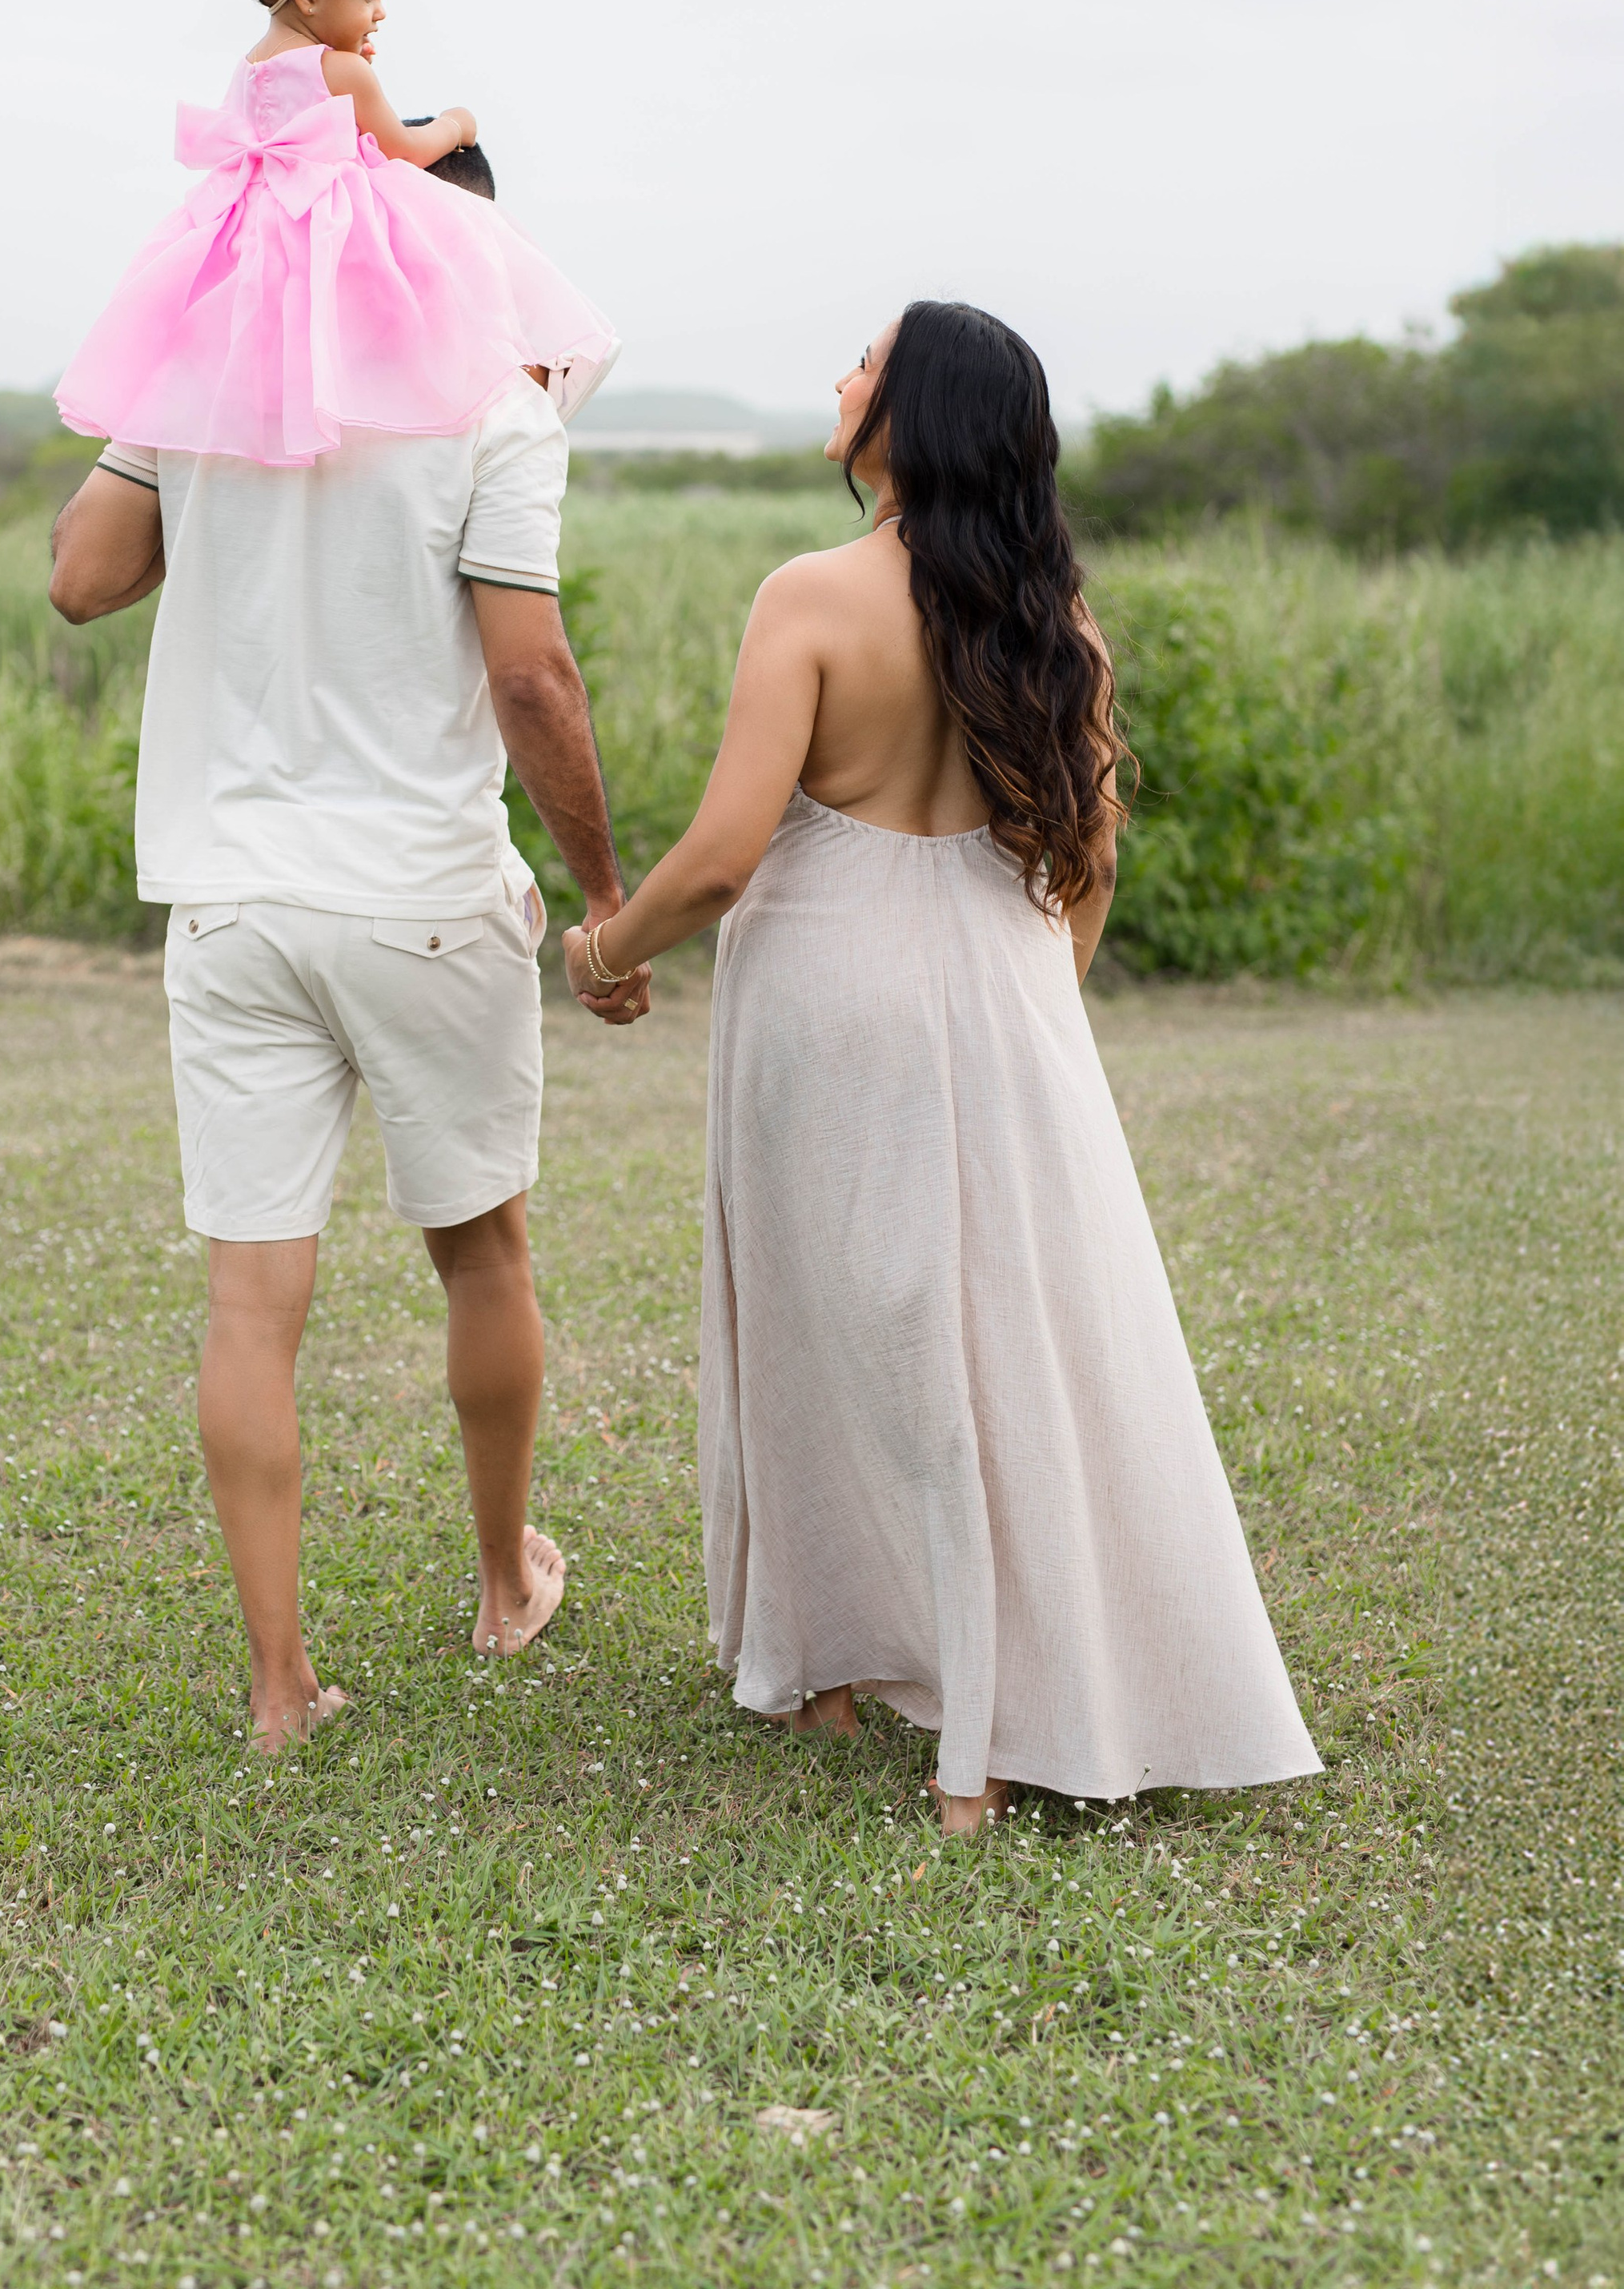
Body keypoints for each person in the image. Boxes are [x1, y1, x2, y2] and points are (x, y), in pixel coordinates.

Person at [563, 301, 1322, 1833]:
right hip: (1000, 993)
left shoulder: (814, 597)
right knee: (991, 1342)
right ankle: (940, 1705)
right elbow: (1093, 857)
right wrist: (1033, 1000)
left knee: (817, 1318)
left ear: (909, 418)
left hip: (828, 987)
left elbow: (719, 857)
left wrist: (605, 946)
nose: (839, 377)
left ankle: (833, 1667)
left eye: (864, 360)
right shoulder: (1055, 617)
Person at [49, 0, 646, 1754]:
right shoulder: (494, 403)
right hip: (413, 892)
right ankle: (497, 1582)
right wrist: (606, 888)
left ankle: (278, 1684)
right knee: (480, 1248)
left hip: (230, 897)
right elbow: (531, 679)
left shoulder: (212, 376)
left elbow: (79, 578)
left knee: (253, 1296)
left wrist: (159, 433)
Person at [54, 0, 616, 466]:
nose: (379, 13)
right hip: (328, 226)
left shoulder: (247, 68)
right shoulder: (344, 73)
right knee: (429, 268)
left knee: (270, 325)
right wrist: (455, 125)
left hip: (253, 231)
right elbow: (400, 148)